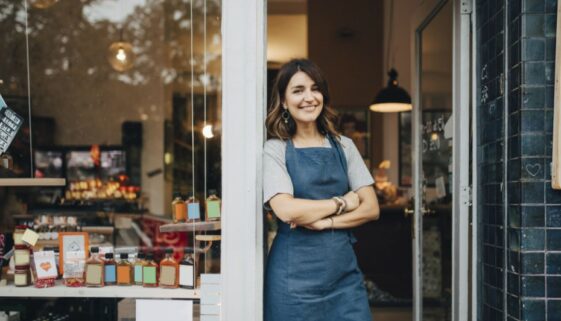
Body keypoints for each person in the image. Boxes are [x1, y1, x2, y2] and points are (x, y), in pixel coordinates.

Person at [263, 58, 380, 321]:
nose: (309, 98)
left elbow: (371, 208)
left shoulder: (345, 146)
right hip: (292, 281)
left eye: (315, 89)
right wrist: (343, 203)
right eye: (298, 90)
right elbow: (286, 210)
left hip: (343, 279)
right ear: (283, 100)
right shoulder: (275, 149)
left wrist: (326, 223)